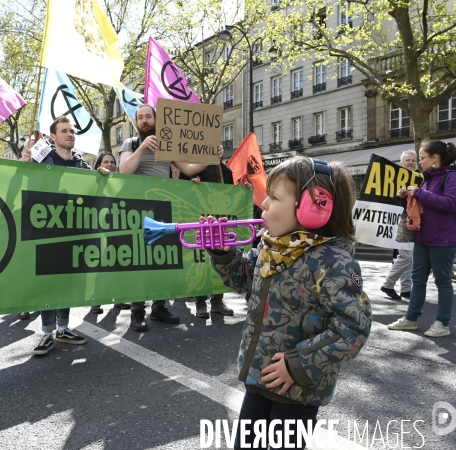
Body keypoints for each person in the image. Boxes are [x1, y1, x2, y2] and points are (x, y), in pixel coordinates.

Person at [206, 156, 372, 449]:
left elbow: (353, 329)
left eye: (273, 197)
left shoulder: (334, 262)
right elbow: (244, 279)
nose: (264, 205)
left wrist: (298, 364)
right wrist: (223, 253)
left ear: (314, 207)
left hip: (297, 389)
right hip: (259, 378)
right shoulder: (270, 246)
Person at [119, 104, 216, 332]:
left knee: (162, 259)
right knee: (140, 262)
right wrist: (142, 148)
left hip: (162, 209)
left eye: (148, 117)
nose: (144, 121)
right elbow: (124, 170)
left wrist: (212, 156)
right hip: (138, 210)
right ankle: (137, 311)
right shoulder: (131, 144)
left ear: (156, 120)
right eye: (140, 117)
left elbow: (190, 169)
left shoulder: (167, 146)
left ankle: (159, 307)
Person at [20, 116, 90, 354]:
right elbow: (22, 183)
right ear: (53, 136)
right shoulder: (41, 159)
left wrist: (101, 173)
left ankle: (63, 329)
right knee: (48, 283)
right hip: (45, 232)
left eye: (72, 131)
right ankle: (47, 333)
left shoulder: (81, 164)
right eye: (64, 131)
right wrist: (23, 165)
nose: (70, 134)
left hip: (72, 232)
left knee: (65, 282)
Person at [388, 140, 456, 338]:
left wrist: (420, 193)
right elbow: (420, 207)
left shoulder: (452, 177)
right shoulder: (426, 178)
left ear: (435, 158)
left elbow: (452, 204)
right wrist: (405, 197)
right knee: (417, 279)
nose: (419, 162)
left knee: (443, 281)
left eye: (422, 158)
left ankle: (442, 323)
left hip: (443, 239)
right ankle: (411, 319)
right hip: (423, 237)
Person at [187, 163, 236, 318]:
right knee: (199, 262)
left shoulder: (225, 170)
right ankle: (200, 304)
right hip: (200, 215)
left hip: (219, 217)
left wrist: (245, 189)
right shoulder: (192, 165)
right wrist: (191, 183)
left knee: (220, 258)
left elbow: (232, 191)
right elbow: (181, 186)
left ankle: (217, 302)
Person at [89, 152, 130, 314]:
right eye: (105, 162)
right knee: (102, 263)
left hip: (119, 226)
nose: (110, 165)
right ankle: (96, 300)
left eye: (112, 162)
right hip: (100, 227)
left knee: (118, 262)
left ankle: (119, 298)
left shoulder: (121, 180)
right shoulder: (93, 178)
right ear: (99, 164)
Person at [380, 150, 418, 300]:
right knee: (406, 257)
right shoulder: (394, 180)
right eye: (407, 160)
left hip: (413, 223)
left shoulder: (418, 179)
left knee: (408, 258)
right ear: (401, 163)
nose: (410, 162)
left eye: (413, 160)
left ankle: (406, 289)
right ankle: (388, 285)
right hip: (400, 222)